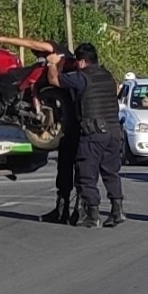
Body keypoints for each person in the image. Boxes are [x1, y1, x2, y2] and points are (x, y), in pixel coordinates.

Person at [0, 34, 79, 224]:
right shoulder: (72, 69)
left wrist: (2, 38)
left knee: (76, 173)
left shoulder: (53, 51)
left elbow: (30, 43)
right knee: (69, 172)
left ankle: (78, 211)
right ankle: (67, 211)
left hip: (72, 129)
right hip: (68, 128)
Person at [46, 43, 124, 229]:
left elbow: (54, 81)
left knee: (86, 175)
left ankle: (92, 214)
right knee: (111, 173)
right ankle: (117, 210)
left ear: (81, 62)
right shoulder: (108, 77)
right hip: (114, 131)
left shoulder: (82, 78)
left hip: (93, 133)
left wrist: (52, 63)